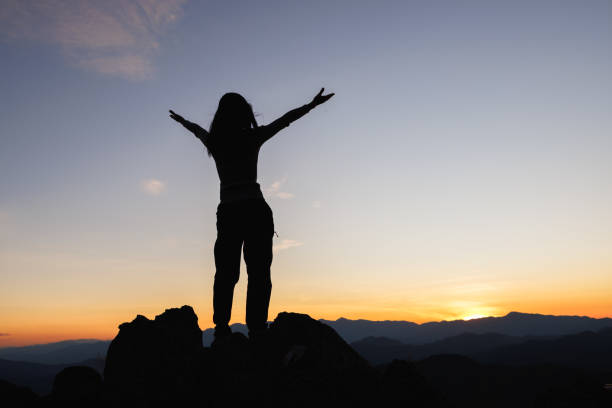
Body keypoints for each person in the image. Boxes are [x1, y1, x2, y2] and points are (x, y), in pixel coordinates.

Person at [169, 88, 334, 343]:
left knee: (226, 273)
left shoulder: (216, 141)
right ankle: (257, 330)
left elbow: (196, 130)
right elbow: (285, 120)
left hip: (230, 213)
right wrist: (311, 105)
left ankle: (223, 330)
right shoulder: (251, 136)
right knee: (258, 273)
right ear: (244, 113)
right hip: (255, 211)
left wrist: (182, 121)